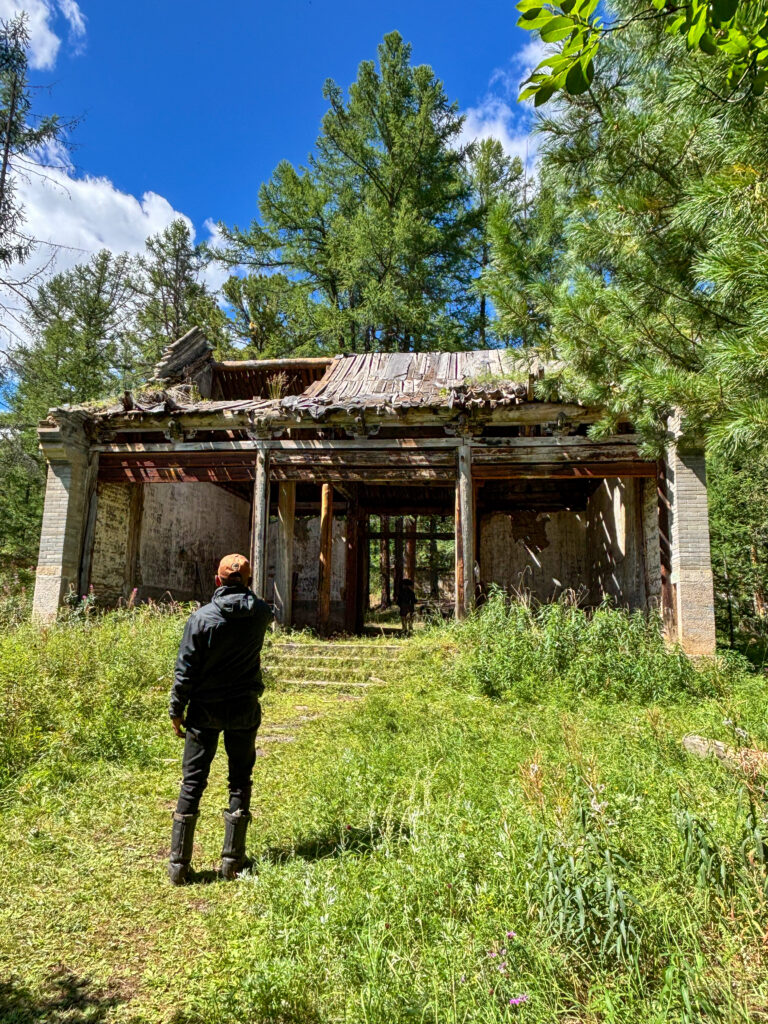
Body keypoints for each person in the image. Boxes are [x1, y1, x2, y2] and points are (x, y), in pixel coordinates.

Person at [167, 553, 273, 885]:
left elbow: (185, 670)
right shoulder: (262, 614)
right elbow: (257, 603)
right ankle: (232, 862)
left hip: (204, 710)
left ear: (217, 581)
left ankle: (178, 866)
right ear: (250, 582)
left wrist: (176, 709)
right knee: (240, 780)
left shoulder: (200, 619)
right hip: (243, 708)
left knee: (193, 782)